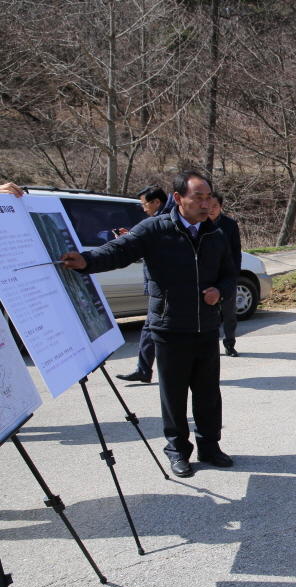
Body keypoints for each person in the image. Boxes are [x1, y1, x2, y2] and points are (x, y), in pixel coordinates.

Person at [60, 171, 238, 478]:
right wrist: (87, 261)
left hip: (207, 327)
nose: (205, 204)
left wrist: (219, 292)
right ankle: (177, 451)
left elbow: (230, 274)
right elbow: (119, 251)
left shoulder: (216, 234)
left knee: (208, 394)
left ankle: (210, 447)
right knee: (174, 396)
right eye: (198, 197)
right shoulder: (155, 229)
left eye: (209, 197)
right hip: (170, 328)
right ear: (178, 198)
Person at [115, 184, 169, 383]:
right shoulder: (157, 222)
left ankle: (173, 371)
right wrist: (130, 239)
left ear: (157, 202)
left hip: (166, 287)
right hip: (159, 286)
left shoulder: (165, 221)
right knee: (150, 327)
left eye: (145, 205)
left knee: (158, 328)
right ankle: (144, 369)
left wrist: (131, 240)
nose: (144, 209)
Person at [210, 191, 243, 357]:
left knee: (229, 313)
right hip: (208, 275)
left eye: (214, 206)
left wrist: (235, 272)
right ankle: (210, 346)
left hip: (226, 274)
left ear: (221, 207)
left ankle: (230, 344)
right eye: (208, 205)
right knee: (210, 314)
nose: (211, 209)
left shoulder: (229, 224)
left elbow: (236, 249)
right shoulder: (198, 223)